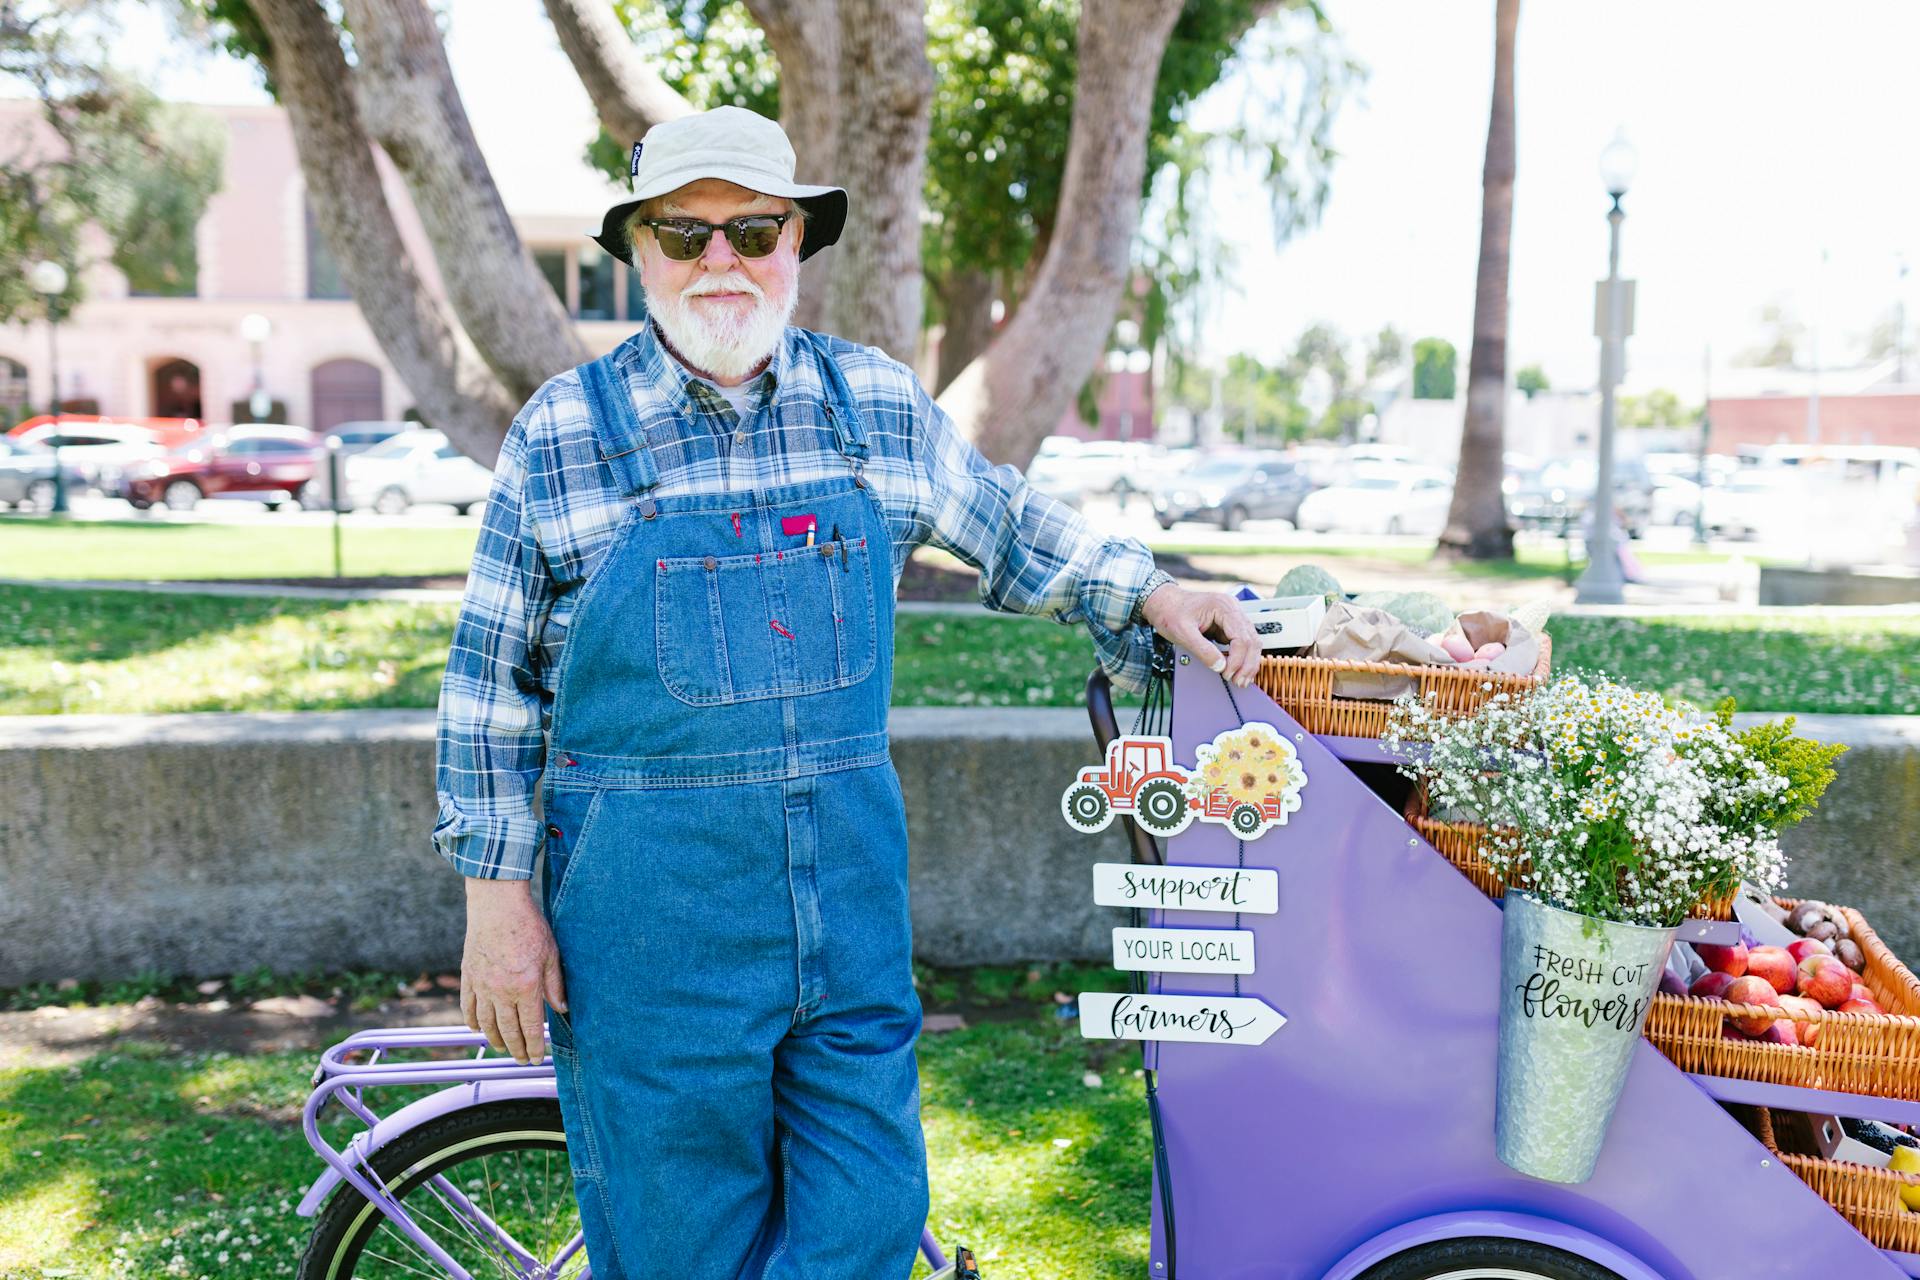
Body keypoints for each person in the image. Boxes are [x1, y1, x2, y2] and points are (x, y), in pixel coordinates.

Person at [433, 104, 1259, 1279]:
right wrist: (494, 902)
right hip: (651, 936)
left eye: (751, 228)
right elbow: (489, 689)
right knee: (679, 1244)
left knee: (869, 1218)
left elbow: (1014, 530)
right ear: (638, 251)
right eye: (683, 234)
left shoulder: (871, 403)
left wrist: (1155, 593)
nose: (719, 260)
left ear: (796, 244)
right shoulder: (564, 434)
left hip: (848, 917)